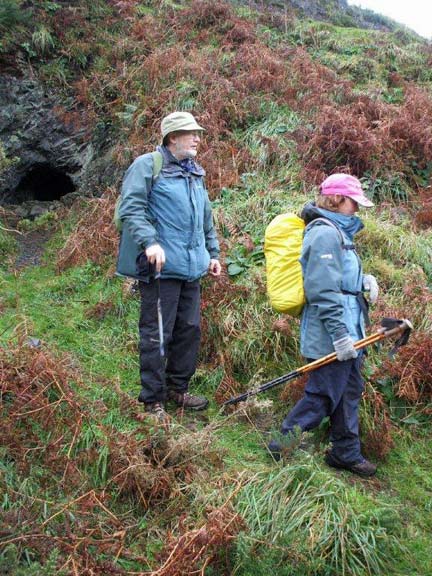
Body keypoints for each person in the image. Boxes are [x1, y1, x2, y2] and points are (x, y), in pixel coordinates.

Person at [269, 173, 379, 477]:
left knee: (349, 392)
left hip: (350, 330)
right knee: (322, 395)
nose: (356, 208)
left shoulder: (340, 232)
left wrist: (362, 281)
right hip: (331, 334)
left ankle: (345, 453)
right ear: (336, 199)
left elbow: (338, 280)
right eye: (353, 202)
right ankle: (279, 445)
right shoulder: (324, 234)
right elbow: (322, 290)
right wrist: (341, 337)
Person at [116, 111, 221, 421]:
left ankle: (178, 389)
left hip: (192, 269)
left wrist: (212, 254)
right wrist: (150, 242)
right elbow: (131, 209)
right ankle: (153, 400)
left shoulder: (194, 173)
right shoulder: (148, 165)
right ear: (172, 137)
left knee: (189, 331)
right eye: (191, 133)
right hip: (161, 269)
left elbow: (206, 218)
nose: (198, 138)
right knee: (156, 334)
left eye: (198, 133)